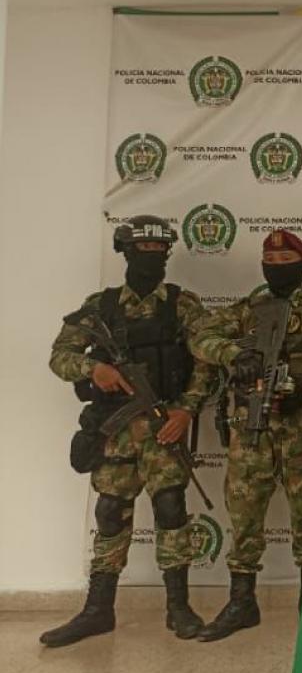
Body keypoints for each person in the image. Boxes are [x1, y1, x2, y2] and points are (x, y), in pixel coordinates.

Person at [42, 216, 214, 647]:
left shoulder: (183, 305)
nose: (152, 257)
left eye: (159, 250)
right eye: (144, 249)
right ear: (126, 251)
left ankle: (179, 607)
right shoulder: (101, 307)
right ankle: (98, 609)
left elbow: (207, 362)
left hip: (163, 429)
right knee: (110, 513)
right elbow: (60, 356)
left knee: (172, 509)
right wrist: (92, 368)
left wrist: (187, 411)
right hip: (115, 431)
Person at [188, 231, 302, 640]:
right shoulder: (247, 309)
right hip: (251, 427)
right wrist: (237, 355)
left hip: (301, 424)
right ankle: (242, 601)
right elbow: (201, 338)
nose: (277, 262)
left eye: (286, 255)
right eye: (270, 256)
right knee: (244, 514)